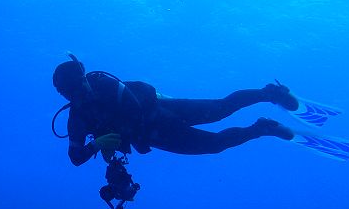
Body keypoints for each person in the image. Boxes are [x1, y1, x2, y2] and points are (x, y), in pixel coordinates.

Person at [52, 54, 299, 166]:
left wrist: (115, 140)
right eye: (70, 93)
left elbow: (134, 109)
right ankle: (261, 128)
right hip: (154, 135)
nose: (78, 95)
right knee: (214, 145)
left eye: (79, 87)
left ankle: (269, 93)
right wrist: (97, 145)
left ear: (84, 79)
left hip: (162, 112)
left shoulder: (103, 83)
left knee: (220, 109)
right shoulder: (77, 119)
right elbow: (75, 158)